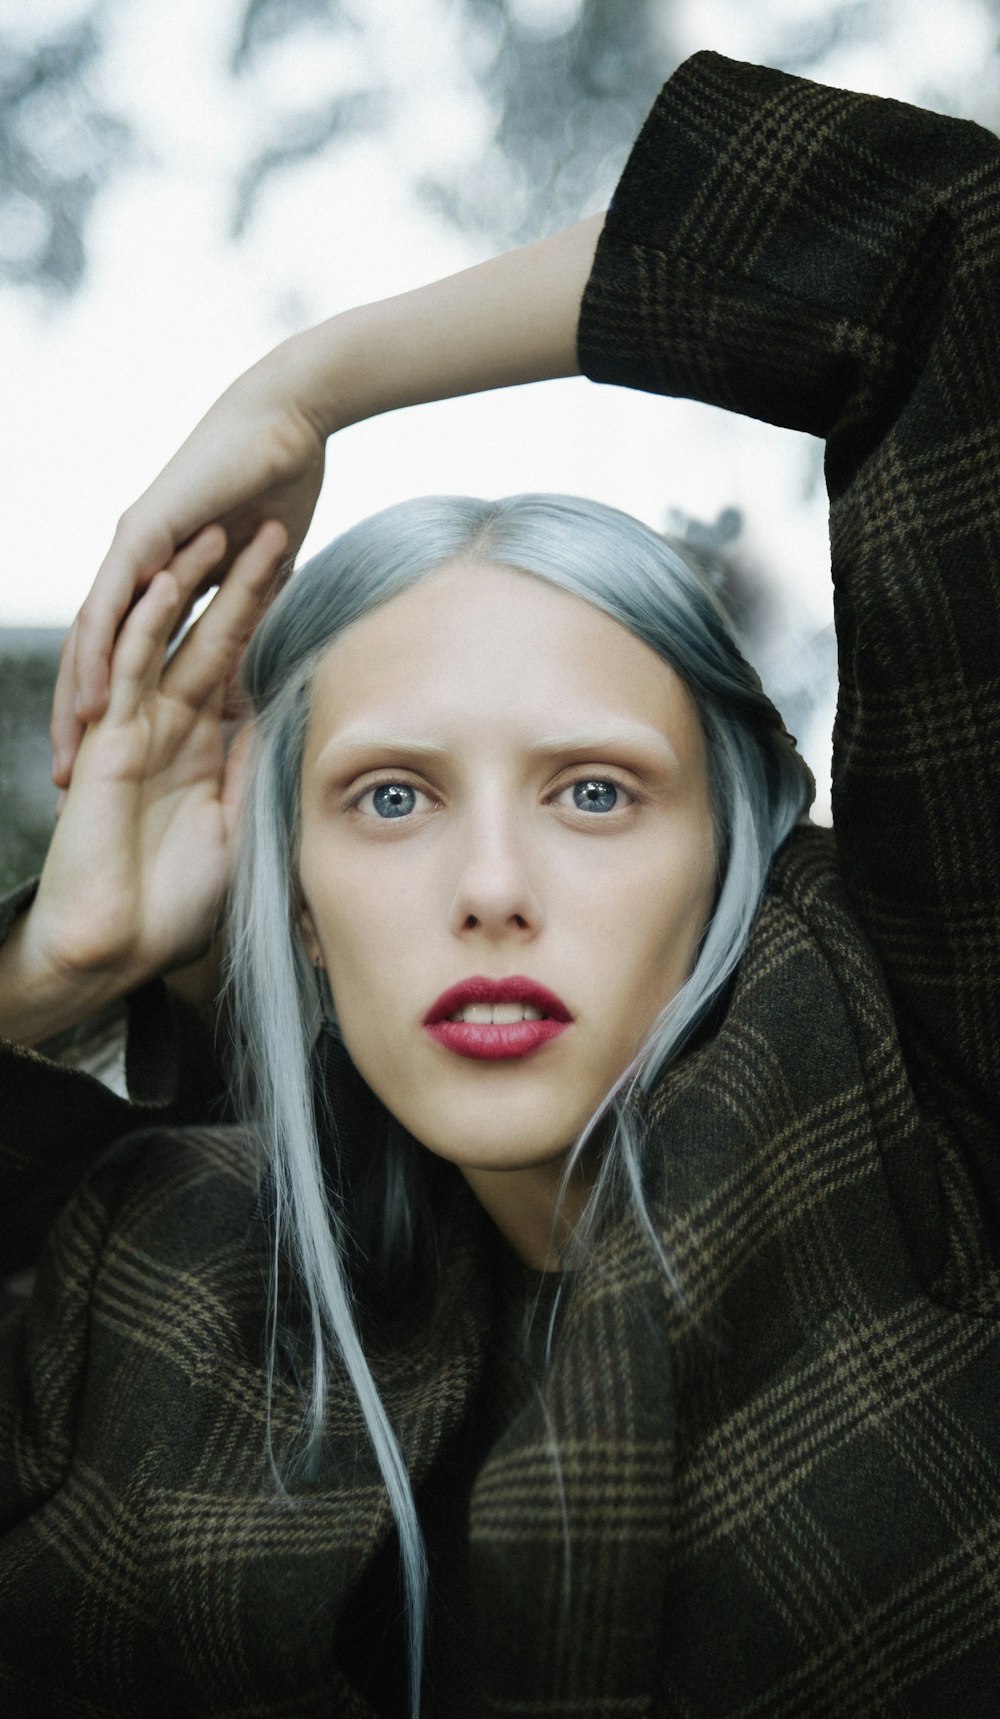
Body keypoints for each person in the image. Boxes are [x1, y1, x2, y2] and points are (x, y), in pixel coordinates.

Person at [2, 46, 999, 1718]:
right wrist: (55, 966)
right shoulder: (152, 1275)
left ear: (739, 853)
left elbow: (958, 247)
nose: (490, 887)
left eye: (596, 792)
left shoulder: (938, 1126)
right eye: (390, 796)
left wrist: (309, 384)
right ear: (298, 897)